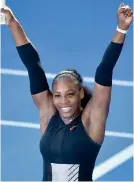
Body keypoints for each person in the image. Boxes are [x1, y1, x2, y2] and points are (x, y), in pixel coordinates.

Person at [1, 3, 133, 181]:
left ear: (80, 94)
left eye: (69, 94)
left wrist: (121, 29)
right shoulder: (48, 114)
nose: (63, 101)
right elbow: (33, 66)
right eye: (58, 95)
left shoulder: (91, 121)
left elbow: (105, 70)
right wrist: (12, 22)